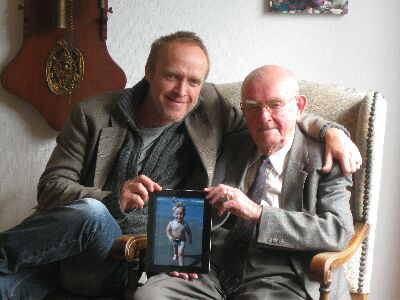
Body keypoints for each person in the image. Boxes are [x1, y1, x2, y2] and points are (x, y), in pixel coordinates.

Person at [0, 31, 360, 300]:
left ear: (204, 87)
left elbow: (271, 115)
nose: (182, 91)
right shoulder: (92, 114)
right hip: (67, 239)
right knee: (87, 217)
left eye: (194, 82)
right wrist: (114, 197)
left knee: (92, 218)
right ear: (149, 72)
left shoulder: (215, 110)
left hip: (127, 254)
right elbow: (50, 188)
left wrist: (331, 129)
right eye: (171, 76)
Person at [134, 65, 354, 300]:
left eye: (275, 105)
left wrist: (258, 213)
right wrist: (174, 257)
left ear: (299, 106)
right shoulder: (227, 145)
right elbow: (190, 204)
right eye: (253, 107)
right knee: (150, 295)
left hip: (281, 275)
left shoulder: (327, 158)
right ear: (243, 110)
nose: (264, 117)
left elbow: (338, 231)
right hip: (211, 270)